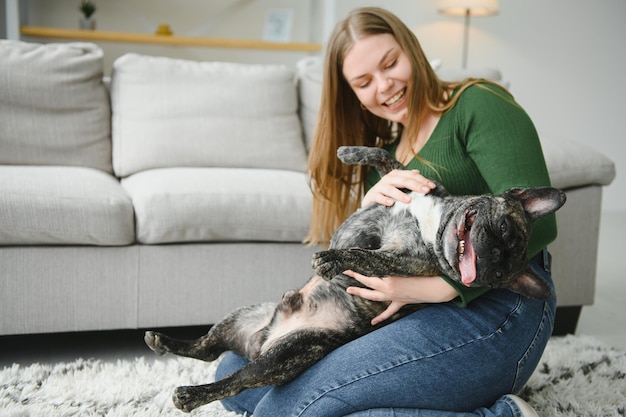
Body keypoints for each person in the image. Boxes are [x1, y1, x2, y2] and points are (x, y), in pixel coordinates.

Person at [216, 7, 556, 417]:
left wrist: (440, 288)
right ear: (352, 94)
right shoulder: (392, 154)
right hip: (411, 314)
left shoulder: (477, 104)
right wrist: (368, 208)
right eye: (364, 82)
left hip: (499, 311)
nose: (385, 85)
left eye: (391, 63)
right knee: (235, 372)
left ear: (411, 48)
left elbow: (540, 224)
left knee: (285, 408)